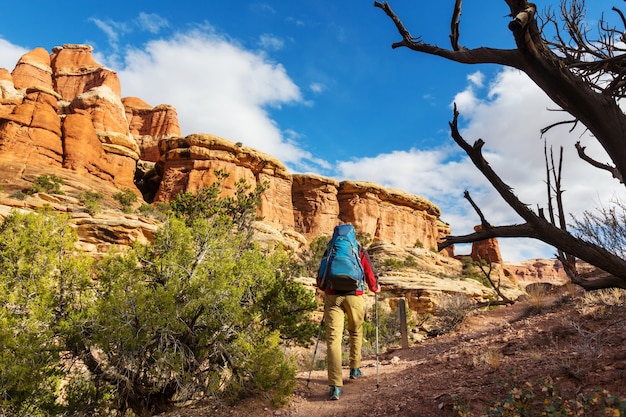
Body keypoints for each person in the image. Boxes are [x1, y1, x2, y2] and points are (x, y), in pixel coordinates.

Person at [317, 228, 380, 401]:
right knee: (355, 331)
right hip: (355, 296)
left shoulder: (331, 249)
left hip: (332, 297)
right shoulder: (358, 249)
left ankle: (335, 387)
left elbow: (321, 274)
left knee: (333, 340)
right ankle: (354, 368)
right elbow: (368, 272)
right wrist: (375, 287)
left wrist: (325, 289)